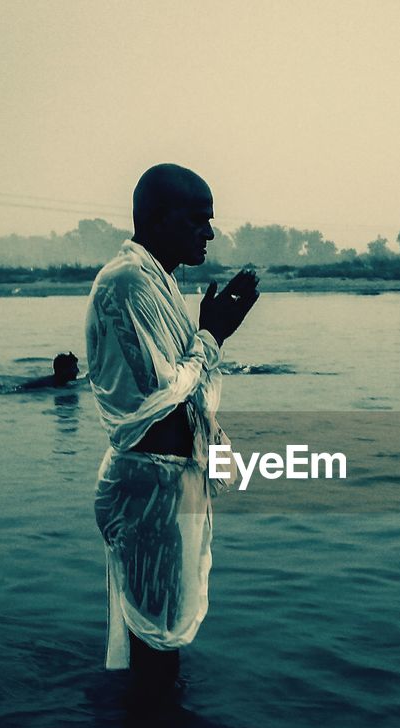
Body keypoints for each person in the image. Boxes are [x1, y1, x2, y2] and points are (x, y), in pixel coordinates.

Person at [85, 164, 259, 692]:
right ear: (158, 218)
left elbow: (185, 384)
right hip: (148, 488)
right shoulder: (127, 283)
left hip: (167, 483)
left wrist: (208, 334)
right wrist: (212, 336)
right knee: (156, 648)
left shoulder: (159, 280)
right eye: (197, 220)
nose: (209, 233)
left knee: (161, 641)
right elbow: (164, 393)